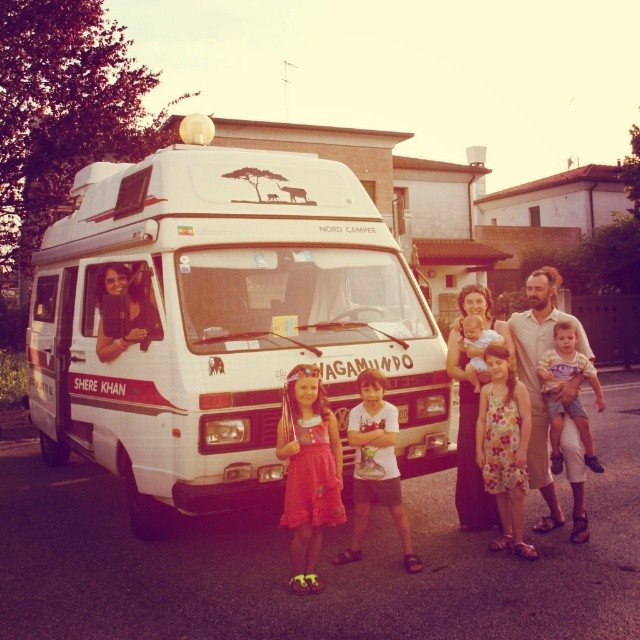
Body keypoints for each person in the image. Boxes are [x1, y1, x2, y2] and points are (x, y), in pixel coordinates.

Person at [508, 266, 594, 544]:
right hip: (531, 406)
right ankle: (556, 513)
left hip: (563, 404)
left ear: (552, 292)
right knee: (535, 464)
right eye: (529, 288)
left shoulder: (568, 322)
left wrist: (573, 385)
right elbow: (492, 331)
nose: (533, 293)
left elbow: (588, 360)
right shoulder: (515, 322)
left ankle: (580, 514)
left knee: (572, 448)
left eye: (539, 288)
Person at [332, 368, 423, 574]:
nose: (371, 395)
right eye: (366, 390)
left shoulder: (390, 410)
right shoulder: (356, 412)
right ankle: (356, 549)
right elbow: (352, 440)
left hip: (388, 472)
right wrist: (379, 431)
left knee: (397, 511)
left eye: (376, 390)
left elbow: (391, 439)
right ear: (359, 392)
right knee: (361, 511)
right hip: (362, 472)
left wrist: (366, 437)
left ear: (384, 391)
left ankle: (409, 552)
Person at [446, 283, 514, 532]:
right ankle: (473, 516)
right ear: (462, 306)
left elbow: (511, 358)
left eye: (478, 300)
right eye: (469, 302)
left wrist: (492, 376)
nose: (474, 306)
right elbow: (451, 368)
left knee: (497, 450)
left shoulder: (500, 327)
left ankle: (500, 516)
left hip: (499, 395)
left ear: (487, 303)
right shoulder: (458, 331)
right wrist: (473, 377)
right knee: (470, 452)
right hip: (471, 397)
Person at [276, 364, 346, 595]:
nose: (309, 392)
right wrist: (286, 450)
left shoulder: (326, 416)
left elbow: (337, 446)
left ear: (319, 389)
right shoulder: (287, 421)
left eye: (313, 387)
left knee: (317, 528)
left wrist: (338, 475)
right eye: (303, 387)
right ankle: (297, 574)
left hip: (324, 478)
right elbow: (279, 452)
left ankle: (310, 571)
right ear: (292, 390)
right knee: (304, 531)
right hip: (301, 481)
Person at [476, 345, 537, 560]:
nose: (495, 367)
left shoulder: (517, 387)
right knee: (500, 491)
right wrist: (478, 450)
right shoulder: (486, 390)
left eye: (499, 363)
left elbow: (527, 419)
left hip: (512, 450)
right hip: (492, 451)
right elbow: (481, 420)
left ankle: (519, 540)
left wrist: (522, 450)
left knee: (516, 493)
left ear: (508, 362)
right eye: (490, 364)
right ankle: (507, 534)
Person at [537, 320, 606, 475]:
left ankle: (591, 456)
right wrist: (544, 373)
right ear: (555, 340)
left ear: (576, 339)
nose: (566, 342)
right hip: (553, 394)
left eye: (570, 338)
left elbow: (592, 376)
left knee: (584, 423)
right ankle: (556, 455)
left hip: (573, 396)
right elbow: (539, 369)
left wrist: (600, 397)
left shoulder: (580, 359)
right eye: (561, 338)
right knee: (556, 423)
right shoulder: (550, 355)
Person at [95, 262, 161, 363]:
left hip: (161, 355)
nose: (117, 284)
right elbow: (101, 354)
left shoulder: (146, 294)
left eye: (121, 278)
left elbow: (169, 316)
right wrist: (125, 341)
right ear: (104, 286)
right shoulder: (109, 315)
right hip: (135, 364)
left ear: (129, 279)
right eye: (110, 281)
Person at [462, 314, 505, 393]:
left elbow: (502, 339)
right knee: (468, 369)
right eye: (466, 332)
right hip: (476, 363)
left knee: (497, 372)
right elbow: (467, 351)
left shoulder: (490, 334)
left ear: (481, 329)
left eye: (472, 332)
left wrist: (498, 343)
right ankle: (476, 384)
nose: (469, 334)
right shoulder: (468, 340)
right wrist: (460, 342)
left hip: (490, 362)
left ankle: (496, 386)